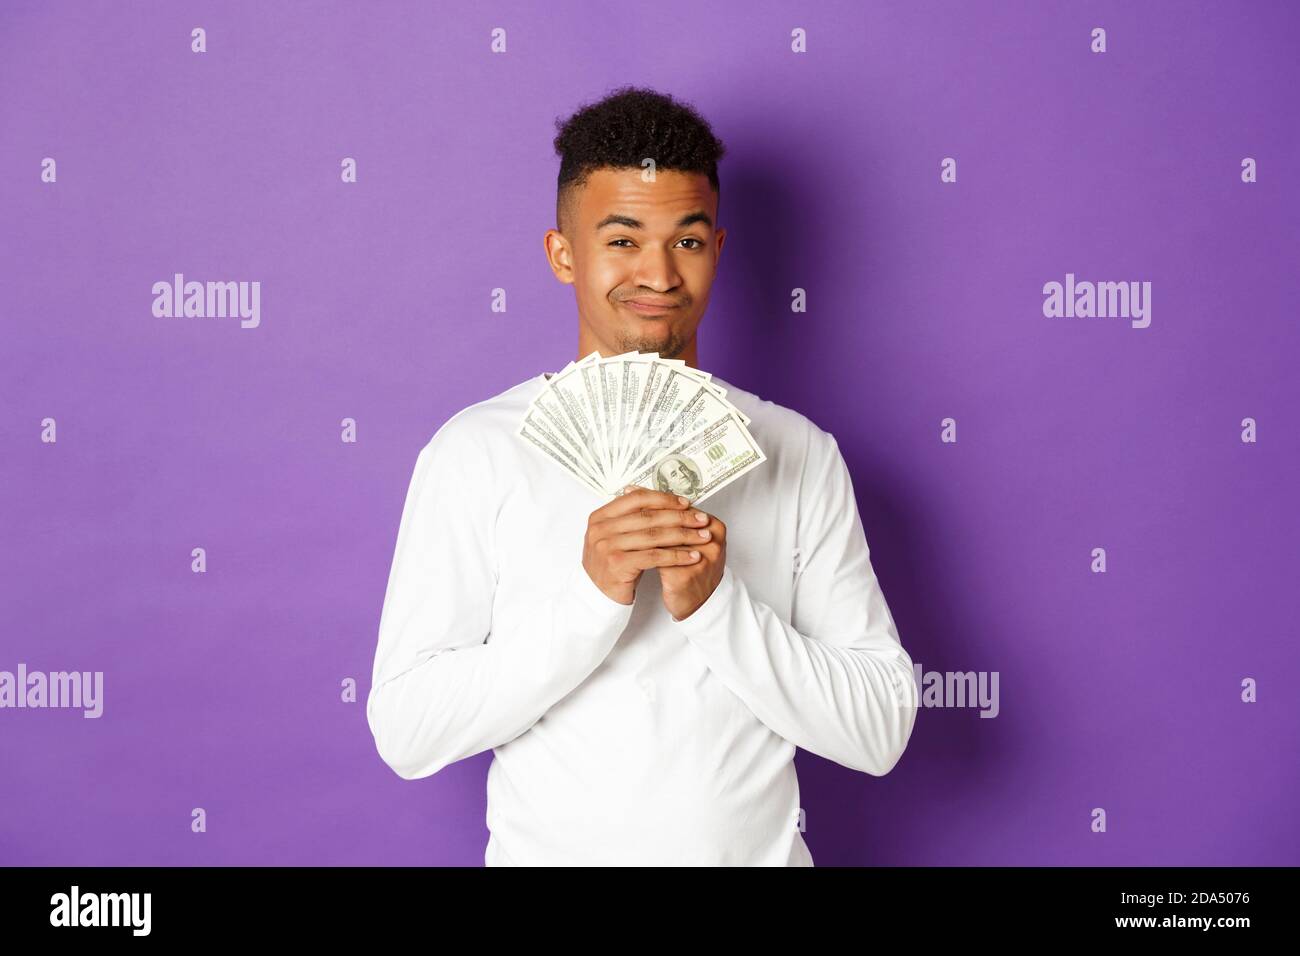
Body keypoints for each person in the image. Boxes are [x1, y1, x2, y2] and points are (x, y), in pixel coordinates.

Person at [365, 86, 919, 866]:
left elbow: (878, 730)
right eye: (622, 240)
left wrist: (716, 606)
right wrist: (591, 599)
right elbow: (409, 730)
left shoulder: (798, 451)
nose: (658, 274)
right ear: (564, 254)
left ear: (718, 252)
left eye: (686, 242)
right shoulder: (475, 452)